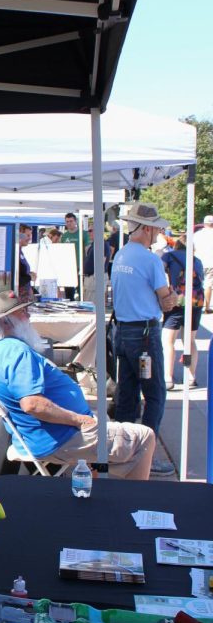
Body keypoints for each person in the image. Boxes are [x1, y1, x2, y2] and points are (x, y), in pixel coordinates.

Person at [0, 291, 155, 479]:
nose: (28, 315)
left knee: (108, 432)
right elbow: (32, 404)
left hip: (45, 437)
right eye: (22, 312)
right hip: (60, 438)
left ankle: (98, 496)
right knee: (144, 437)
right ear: (6, 321)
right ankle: (134, 504)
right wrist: (79, 420)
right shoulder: (16, 352)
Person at [110, 201, 177, 477]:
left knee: (127, 393)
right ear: (148, 229)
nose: (158, 235)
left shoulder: (121, 255)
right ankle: (144, 456)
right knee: (155, 394)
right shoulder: (150, 259)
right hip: (144, 334)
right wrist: (169, 297)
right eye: (156, 230)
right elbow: (167, 300)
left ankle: (123, 452)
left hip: (123, 331)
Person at [161, 235, 205, 389]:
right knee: (190, 340)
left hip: (178, 300)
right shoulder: (196, 260)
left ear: (177, 245)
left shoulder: (169, 255)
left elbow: (158, 270)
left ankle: (168, 377)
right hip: (197, 301)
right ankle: (191, 376)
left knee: (168, 341)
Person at [82, 217, 112, 301]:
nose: (89, 233)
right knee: (89, 303)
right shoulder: (94, 245)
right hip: (91, 279)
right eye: (89, 231)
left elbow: (101, 263)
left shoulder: (101, 244)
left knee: (92, 305)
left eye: (91, 230)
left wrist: (96, 280)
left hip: (95, 279)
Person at [60, 211, 88, 300]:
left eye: (71, 221)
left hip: (80, 267)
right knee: (69, 294)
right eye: (67, 221)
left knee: (81, 292)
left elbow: (88, 249)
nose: (69, 223)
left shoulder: (83, 234)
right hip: (68, 268)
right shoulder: (64, 236)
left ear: (75, 221)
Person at [192, 214, 213, 313]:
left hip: (198, 262)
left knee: (197, 283)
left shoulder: (197, 235)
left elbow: (192, 248)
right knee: (208, 284)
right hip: (211, 262)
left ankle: (196, 304)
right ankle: (207, 307)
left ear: (204, 224)